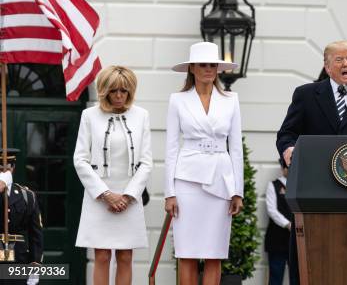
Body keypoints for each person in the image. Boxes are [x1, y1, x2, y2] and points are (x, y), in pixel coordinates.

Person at [276, 40, 347, 283]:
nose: (346, 63)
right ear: (327, 67)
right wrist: (289, 150)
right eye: (339, 59)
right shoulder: (306, 95)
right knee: (311, 261)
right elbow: (286, 134)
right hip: (313, 191)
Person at [164, 41, 244, 285]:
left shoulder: (231, 99)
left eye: (212, 65)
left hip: (220, 181)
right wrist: (170, 192)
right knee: (187, 253)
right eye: (202, 65)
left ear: (218, 69)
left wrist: (237, 191)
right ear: (192, 68)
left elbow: (236, 148)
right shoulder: (177, 100)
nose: (208, 69)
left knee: (214, 253)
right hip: (187, 182)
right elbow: (171, 147)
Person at [74, 66, 152, 285]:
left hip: (130, 196)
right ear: (104, 91)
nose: (119, 96)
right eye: (114, 91)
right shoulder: (89, 115)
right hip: (99, 196)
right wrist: (106, 194)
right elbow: (80, 159)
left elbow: (146, 162)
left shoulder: (141, 115)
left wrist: (127, 196)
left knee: (126, 256)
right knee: (102, 255)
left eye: (124, 91)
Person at [0, 148, 43, 285]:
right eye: (0, 169)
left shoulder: (27, 196)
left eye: (6, 169)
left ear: (13, 169)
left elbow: (35, 233)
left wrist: (35, 265)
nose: (3, 172)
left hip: (18, 258)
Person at [264, 160, 297, 285]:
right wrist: (288, 224)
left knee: (295, 277)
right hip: (276, 239)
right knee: (276, 276)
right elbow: (271, 210)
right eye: (289, 167)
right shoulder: (273, 185)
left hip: (294, 240)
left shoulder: (299, 187)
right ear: (283, 169)